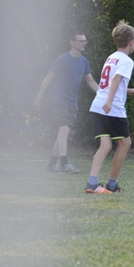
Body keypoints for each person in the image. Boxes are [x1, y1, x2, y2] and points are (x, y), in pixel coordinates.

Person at [85, 21, 134, 194]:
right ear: (131, 42)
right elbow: (116, 80)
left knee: (106, 145)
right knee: (125, 144)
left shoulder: (112, 57)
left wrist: (129, 90)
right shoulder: (126, 60)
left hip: (97, 105)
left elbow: (111, 82)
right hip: (112, 108)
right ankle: (111, 183)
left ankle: (92, 183)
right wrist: (110, 101)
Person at [34, 32, 99, 174]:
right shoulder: (62, 60)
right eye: (80, 41)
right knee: (63, 129)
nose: (83, 43)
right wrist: (39, 97)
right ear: (72, 42)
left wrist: (105, 95)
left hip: (72, 102)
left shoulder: (83, 61)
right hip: (58, 100)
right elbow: (48, 79)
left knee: (63, 133)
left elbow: (90, 81)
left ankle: (52, 165)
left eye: (85, 41)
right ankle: (64, 163)